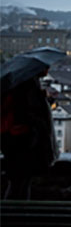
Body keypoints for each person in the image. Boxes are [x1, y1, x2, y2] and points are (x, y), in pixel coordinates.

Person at [1, 71, 58, 199]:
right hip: (21, 137)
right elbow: (31, 110)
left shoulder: (12, 84)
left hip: (11, 136)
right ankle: (16, 208)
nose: (47, 70)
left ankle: (13, 207)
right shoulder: (26, 85)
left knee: (18, 179)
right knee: (21, 179)